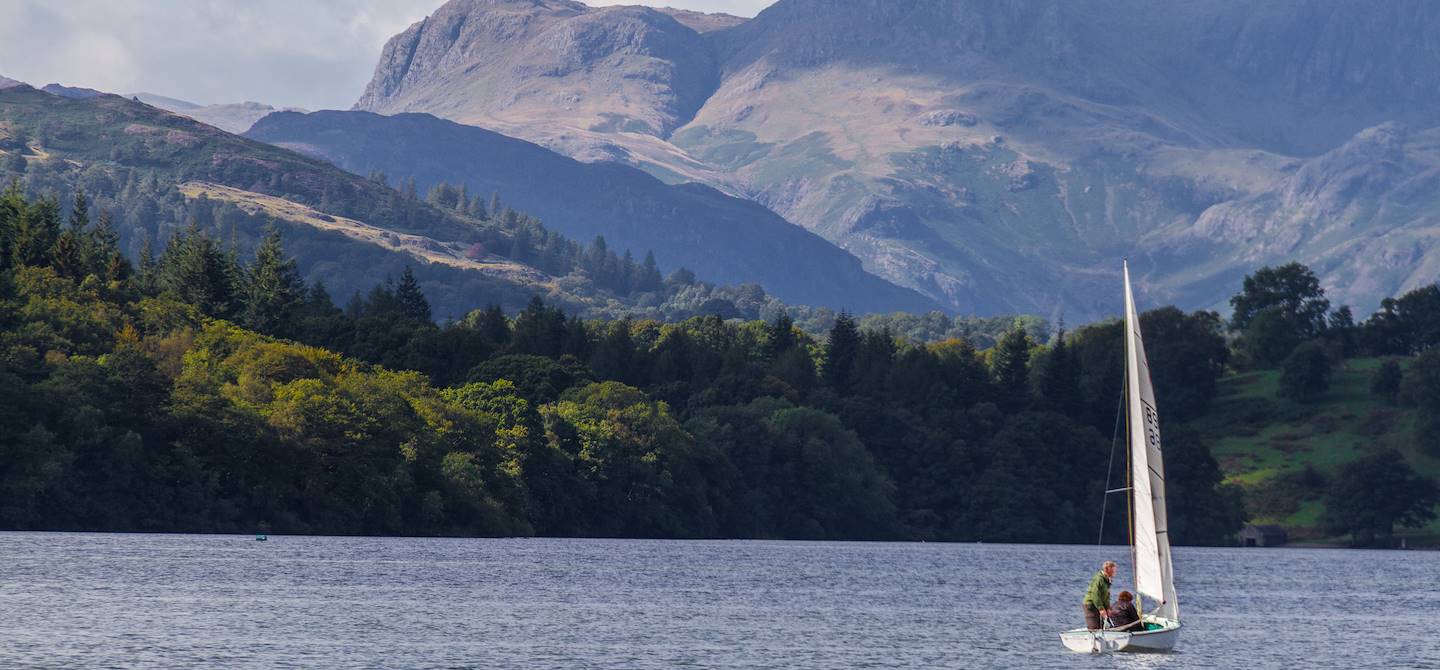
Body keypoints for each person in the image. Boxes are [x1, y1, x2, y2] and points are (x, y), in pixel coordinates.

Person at [1082, 560, 1117, 630]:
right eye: (1113, 571)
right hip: (1091, 605)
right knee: (1094, 627)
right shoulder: (1099, 579)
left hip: (1099, 604)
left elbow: (1105, 596)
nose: (1114, 573)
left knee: (1103, 626)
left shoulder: (1106, 580)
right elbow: (1095, 594)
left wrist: (1107, 608)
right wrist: (1101, 609)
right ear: (1107, 569)